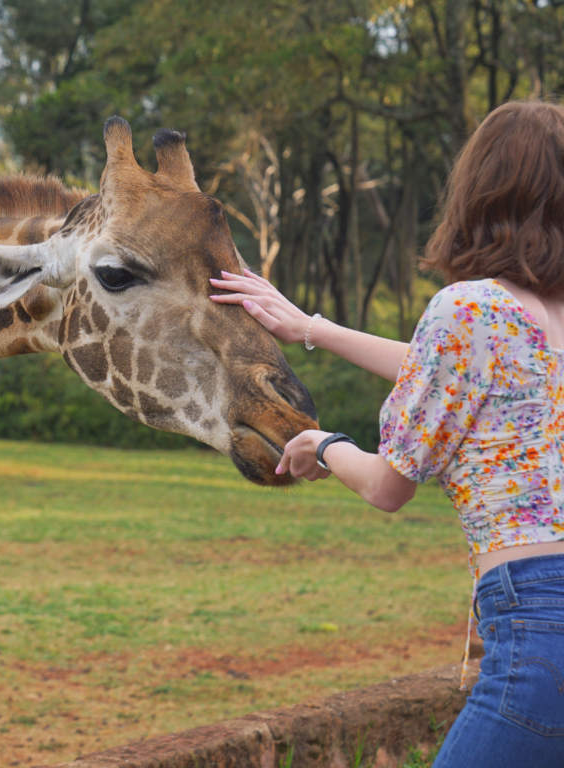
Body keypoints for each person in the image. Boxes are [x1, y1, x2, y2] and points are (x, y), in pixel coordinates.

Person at [209, 100, 564, 768]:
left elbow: (387, 488)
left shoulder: (467, 310)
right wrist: (310, 328)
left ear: (480, 190)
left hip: (540, 637)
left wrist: (325, 446)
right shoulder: (521, 327)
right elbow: (456, 372)